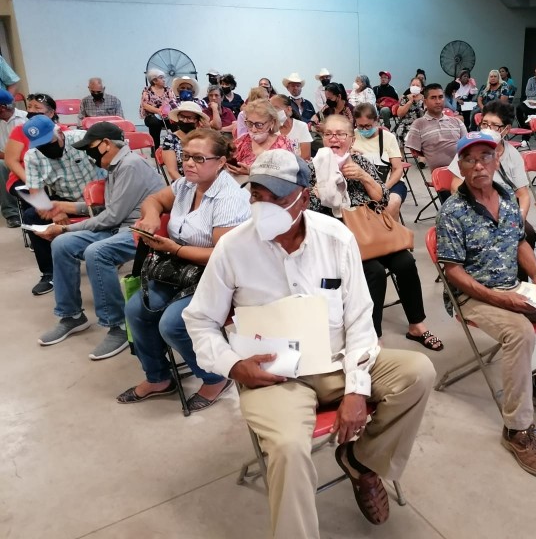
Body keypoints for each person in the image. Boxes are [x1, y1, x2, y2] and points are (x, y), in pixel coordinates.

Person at [183, 148, 436, 538]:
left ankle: (362, 461)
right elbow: (199, 320)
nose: (264, 206)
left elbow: (359, 319)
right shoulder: (234, 247)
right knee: (286, 447)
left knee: (418, 372)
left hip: (336, 360)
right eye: (257, 195)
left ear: (305, 194)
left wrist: (356, 388)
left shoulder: (335, 238)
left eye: (277, 197)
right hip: (274, 375)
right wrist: (233, 365)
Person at [436, 133, 536, 478]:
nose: (479, 165)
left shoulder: (505, 200)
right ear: (460, 166)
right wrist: (497, 298)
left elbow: (518, 241)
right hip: (473, 296)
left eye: (485, 157)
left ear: (497, 159)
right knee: (519, 332)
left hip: (514, 287)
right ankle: (517, 430)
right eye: (470, 159)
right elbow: (453, 271)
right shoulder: (453, 211)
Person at [118, 129, 251, 411]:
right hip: (178, 267)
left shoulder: (229, 198)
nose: (189, 164)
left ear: (221, 162)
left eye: (199, 158)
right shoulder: (185, 186)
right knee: (135, 311)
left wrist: (174, 249)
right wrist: (152, 217)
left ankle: (215, 378)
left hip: (218, 273)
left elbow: (221, 255)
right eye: (186, 156)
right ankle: (158, 378)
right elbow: (154, 200)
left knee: (174, 323)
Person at [309, 115, 442, 350]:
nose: (334, 139)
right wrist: (321, 191)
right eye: (329, 134)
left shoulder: (361, 161)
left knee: (406, 263)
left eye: (341, 134)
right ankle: (372, 334)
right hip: (338, 239)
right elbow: (309, 210)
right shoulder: (314, 166)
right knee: (375, 272)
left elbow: (382, 198)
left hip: (371, 232)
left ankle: (416, 324)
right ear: (322, 137)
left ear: (351, 139)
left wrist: (362, 175)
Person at [35, 122, 165, 359]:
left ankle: (117, 325)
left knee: (97, 252)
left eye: (90, 148)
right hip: (119, 225)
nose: (87, 154)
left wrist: (65, 229)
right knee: (62, 245)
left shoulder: (130, 165)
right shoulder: (115, 166)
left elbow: (111, 216)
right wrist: (63, 207)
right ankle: (72, 316)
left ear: (106, 144)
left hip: (142, 230)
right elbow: (107, 208)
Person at [447, 102, 536, 278]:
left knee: (528, 234)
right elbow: (454, 186)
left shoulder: (512, 155)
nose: (488, 129)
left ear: (506, 129)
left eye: (495, 126)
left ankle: (519, 281)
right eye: (485, 124)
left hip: (505, 212)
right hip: (475, 209)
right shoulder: (470, 149)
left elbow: (523, 194)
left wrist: (518, 219)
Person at [20, 115, 101, 295]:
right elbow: (36, 192)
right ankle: (50, 273)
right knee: (31, 216)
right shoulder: (32, 157)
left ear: (58, 131)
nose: (46, 148)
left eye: (48, 142)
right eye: (40, 145)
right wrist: (54, 212)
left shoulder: (81, 139)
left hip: (100, 198)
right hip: (65, 200)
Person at [405, 83, 467, 204]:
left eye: (440, 97)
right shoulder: (419, 124)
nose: (438, 101)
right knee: (455, 209)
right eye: (433, 98)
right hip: (442, 176)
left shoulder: (456, 122)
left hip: (464, 172)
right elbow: (416, 152)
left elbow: (467, 148)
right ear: (425, 100)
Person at [352, 104, 407, 221]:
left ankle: (392, 235)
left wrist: (384, 188)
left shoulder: (388, 138)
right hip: (361, 185)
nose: (364, 130)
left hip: (389, 182)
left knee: (392, 203)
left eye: (368, 126)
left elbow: (397, 169)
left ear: (376, 121)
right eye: (360, 126)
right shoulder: (351, 136)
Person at [228, 98, 295, 178]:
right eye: (249, 123)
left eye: (259, 125)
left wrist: (252, 172)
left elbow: (287, 176)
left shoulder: (283, 144)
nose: (253, 129)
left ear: (272, 123)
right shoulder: (242, 141)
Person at [162, 101, 208, 182]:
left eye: (190, 118)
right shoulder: (170, 139)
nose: (185, 121)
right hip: (182, 182)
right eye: (182, 117)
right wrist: (188, 187)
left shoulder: (204, 138)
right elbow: (172, 171)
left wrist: (208, 130)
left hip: (204, 180)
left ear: (198, 121)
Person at [0, 89, 26, 227]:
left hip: (27, 159)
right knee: (0, 166)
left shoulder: (26, 118)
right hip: (4, 159)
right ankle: (12, 213)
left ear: (2, 108)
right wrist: (11, 157)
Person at [140, 69, 177, 149]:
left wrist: (165, 110)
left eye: (164, 77)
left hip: (167, 115)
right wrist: (158, 111)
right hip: (152, 116)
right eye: (161, 78)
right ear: (154, 80)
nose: (164, 80)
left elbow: (173, 102)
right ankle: (155, 148)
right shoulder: (147, 90)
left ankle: (176, 145)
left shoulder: (168, 89)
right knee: (154, 123)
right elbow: (145, 105)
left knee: (176, 122)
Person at [271, 94, 313, 160]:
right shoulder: (271, 130)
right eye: (271, 109)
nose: (273, 112)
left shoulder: (301, 126)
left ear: (288, 109)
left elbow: (306, 156)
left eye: (276, 108)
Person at [393, 77, 425, 143]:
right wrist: (410, 102)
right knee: (400, 131)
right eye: (413, 85)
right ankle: (401, 152)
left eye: (417, 85)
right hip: (406, 124)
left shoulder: (425, 99)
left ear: (421, 88)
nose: (415, 87)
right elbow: (400, 114)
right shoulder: (405, 98)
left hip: (421, 125)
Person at [516, 61, 536, 125]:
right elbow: (527, 93)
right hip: (529, 101)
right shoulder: (530, 80)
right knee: (518, 107)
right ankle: (523, 126)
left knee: (529, 110)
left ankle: (531, 124)